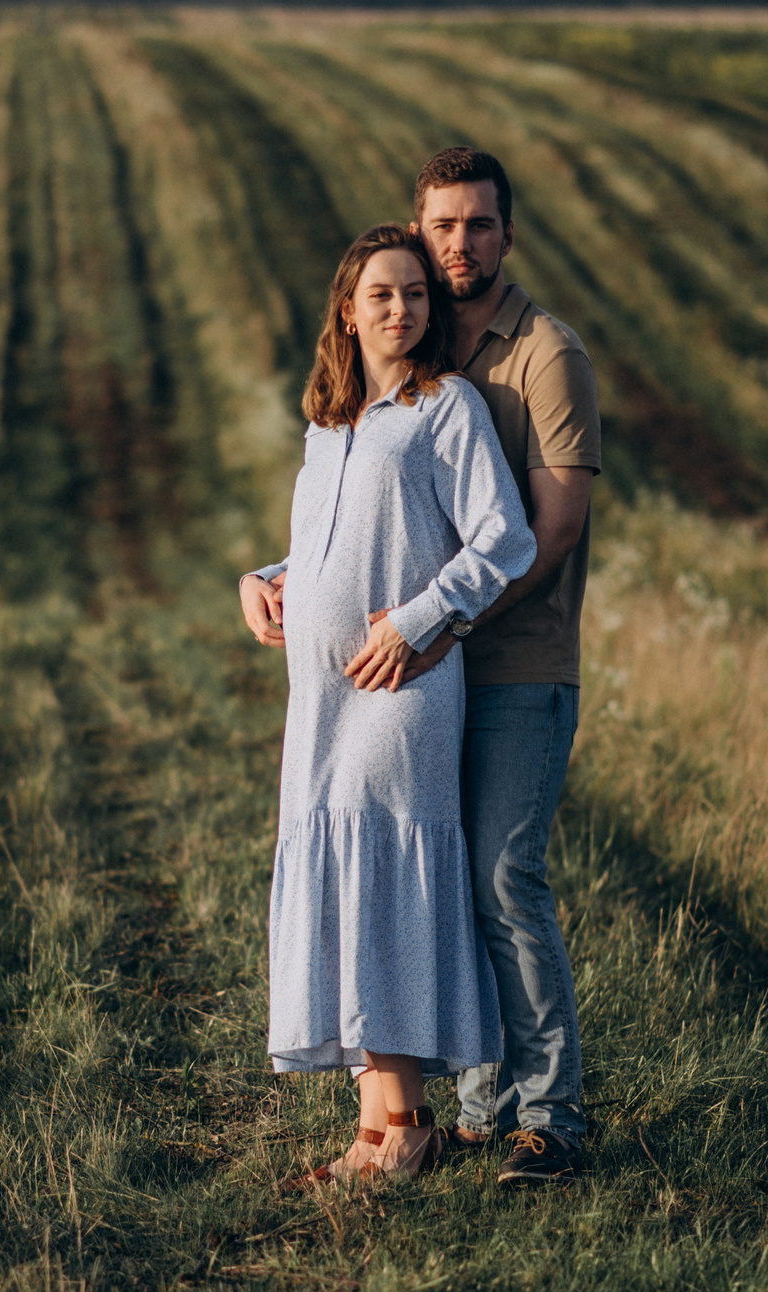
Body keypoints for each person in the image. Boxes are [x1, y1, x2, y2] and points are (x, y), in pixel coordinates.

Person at [242, 148, 600, 1190]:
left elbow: (530, 533)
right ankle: (412, 1122)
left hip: (484, 666)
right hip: (339, 690)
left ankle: (538, 1121)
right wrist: (261, 578)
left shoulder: (526, 362)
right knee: (381, 882)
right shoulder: (339, 418)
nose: (456, 247)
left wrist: (424, 620)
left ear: (504, 233)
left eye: (476, 226)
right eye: (438, 229)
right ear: (347, 311)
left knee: (478, 880)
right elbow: (337, 539)